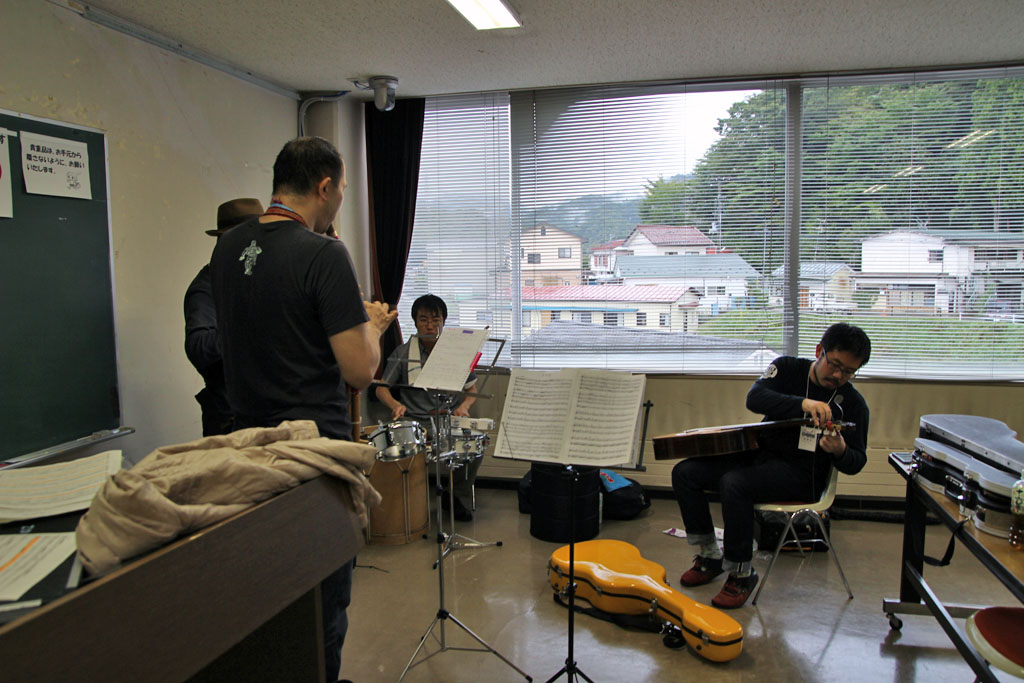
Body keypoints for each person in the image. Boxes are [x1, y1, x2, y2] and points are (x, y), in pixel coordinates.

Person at [210, 136, 396, 682]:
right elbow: (360, 371)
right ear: (324, 186)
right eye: (340, 189)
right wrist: (375, 328)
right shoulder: (323, 254)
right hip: (312, 459)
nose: (341, 199)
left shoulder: (227, 247)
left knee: (270, 599)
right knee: (323, 606)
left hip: (248, 452)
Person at [670, 322, 871, 609]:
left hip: (803, 476)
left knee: (735, 483)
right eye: (835, 364)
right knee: (685, 473)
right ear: (819, 351)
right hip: (759, 456)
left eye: (849, 371)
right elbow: (755, 398)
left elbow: (857, 461)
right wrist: (802, 403)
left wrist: (840, 451)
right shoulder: (787, 368)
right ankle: (709, 555)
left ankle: (741, 573)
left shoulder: (854, 404)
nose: (839, 375)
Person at [376, 294, 479, 521]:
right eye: (424, 320)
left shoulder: (455, 353)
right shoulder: (403, 354)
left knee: (475, 444)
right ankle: (410, 501)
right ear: (415, 322)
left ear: (444, 321)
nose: (430, 325)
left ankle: (455, 496)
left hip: (447, 419)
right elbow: (381, 388)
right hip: (413, 422)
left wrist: (464, 407)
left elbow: (472, 391)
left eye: (436, 319)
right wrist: (395, 404)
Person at [184, 198, 264, 436]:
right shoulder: (206, 287)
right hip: (230, 424)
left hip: (268, 416)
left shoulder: (256, 280)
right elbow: (198, 347)